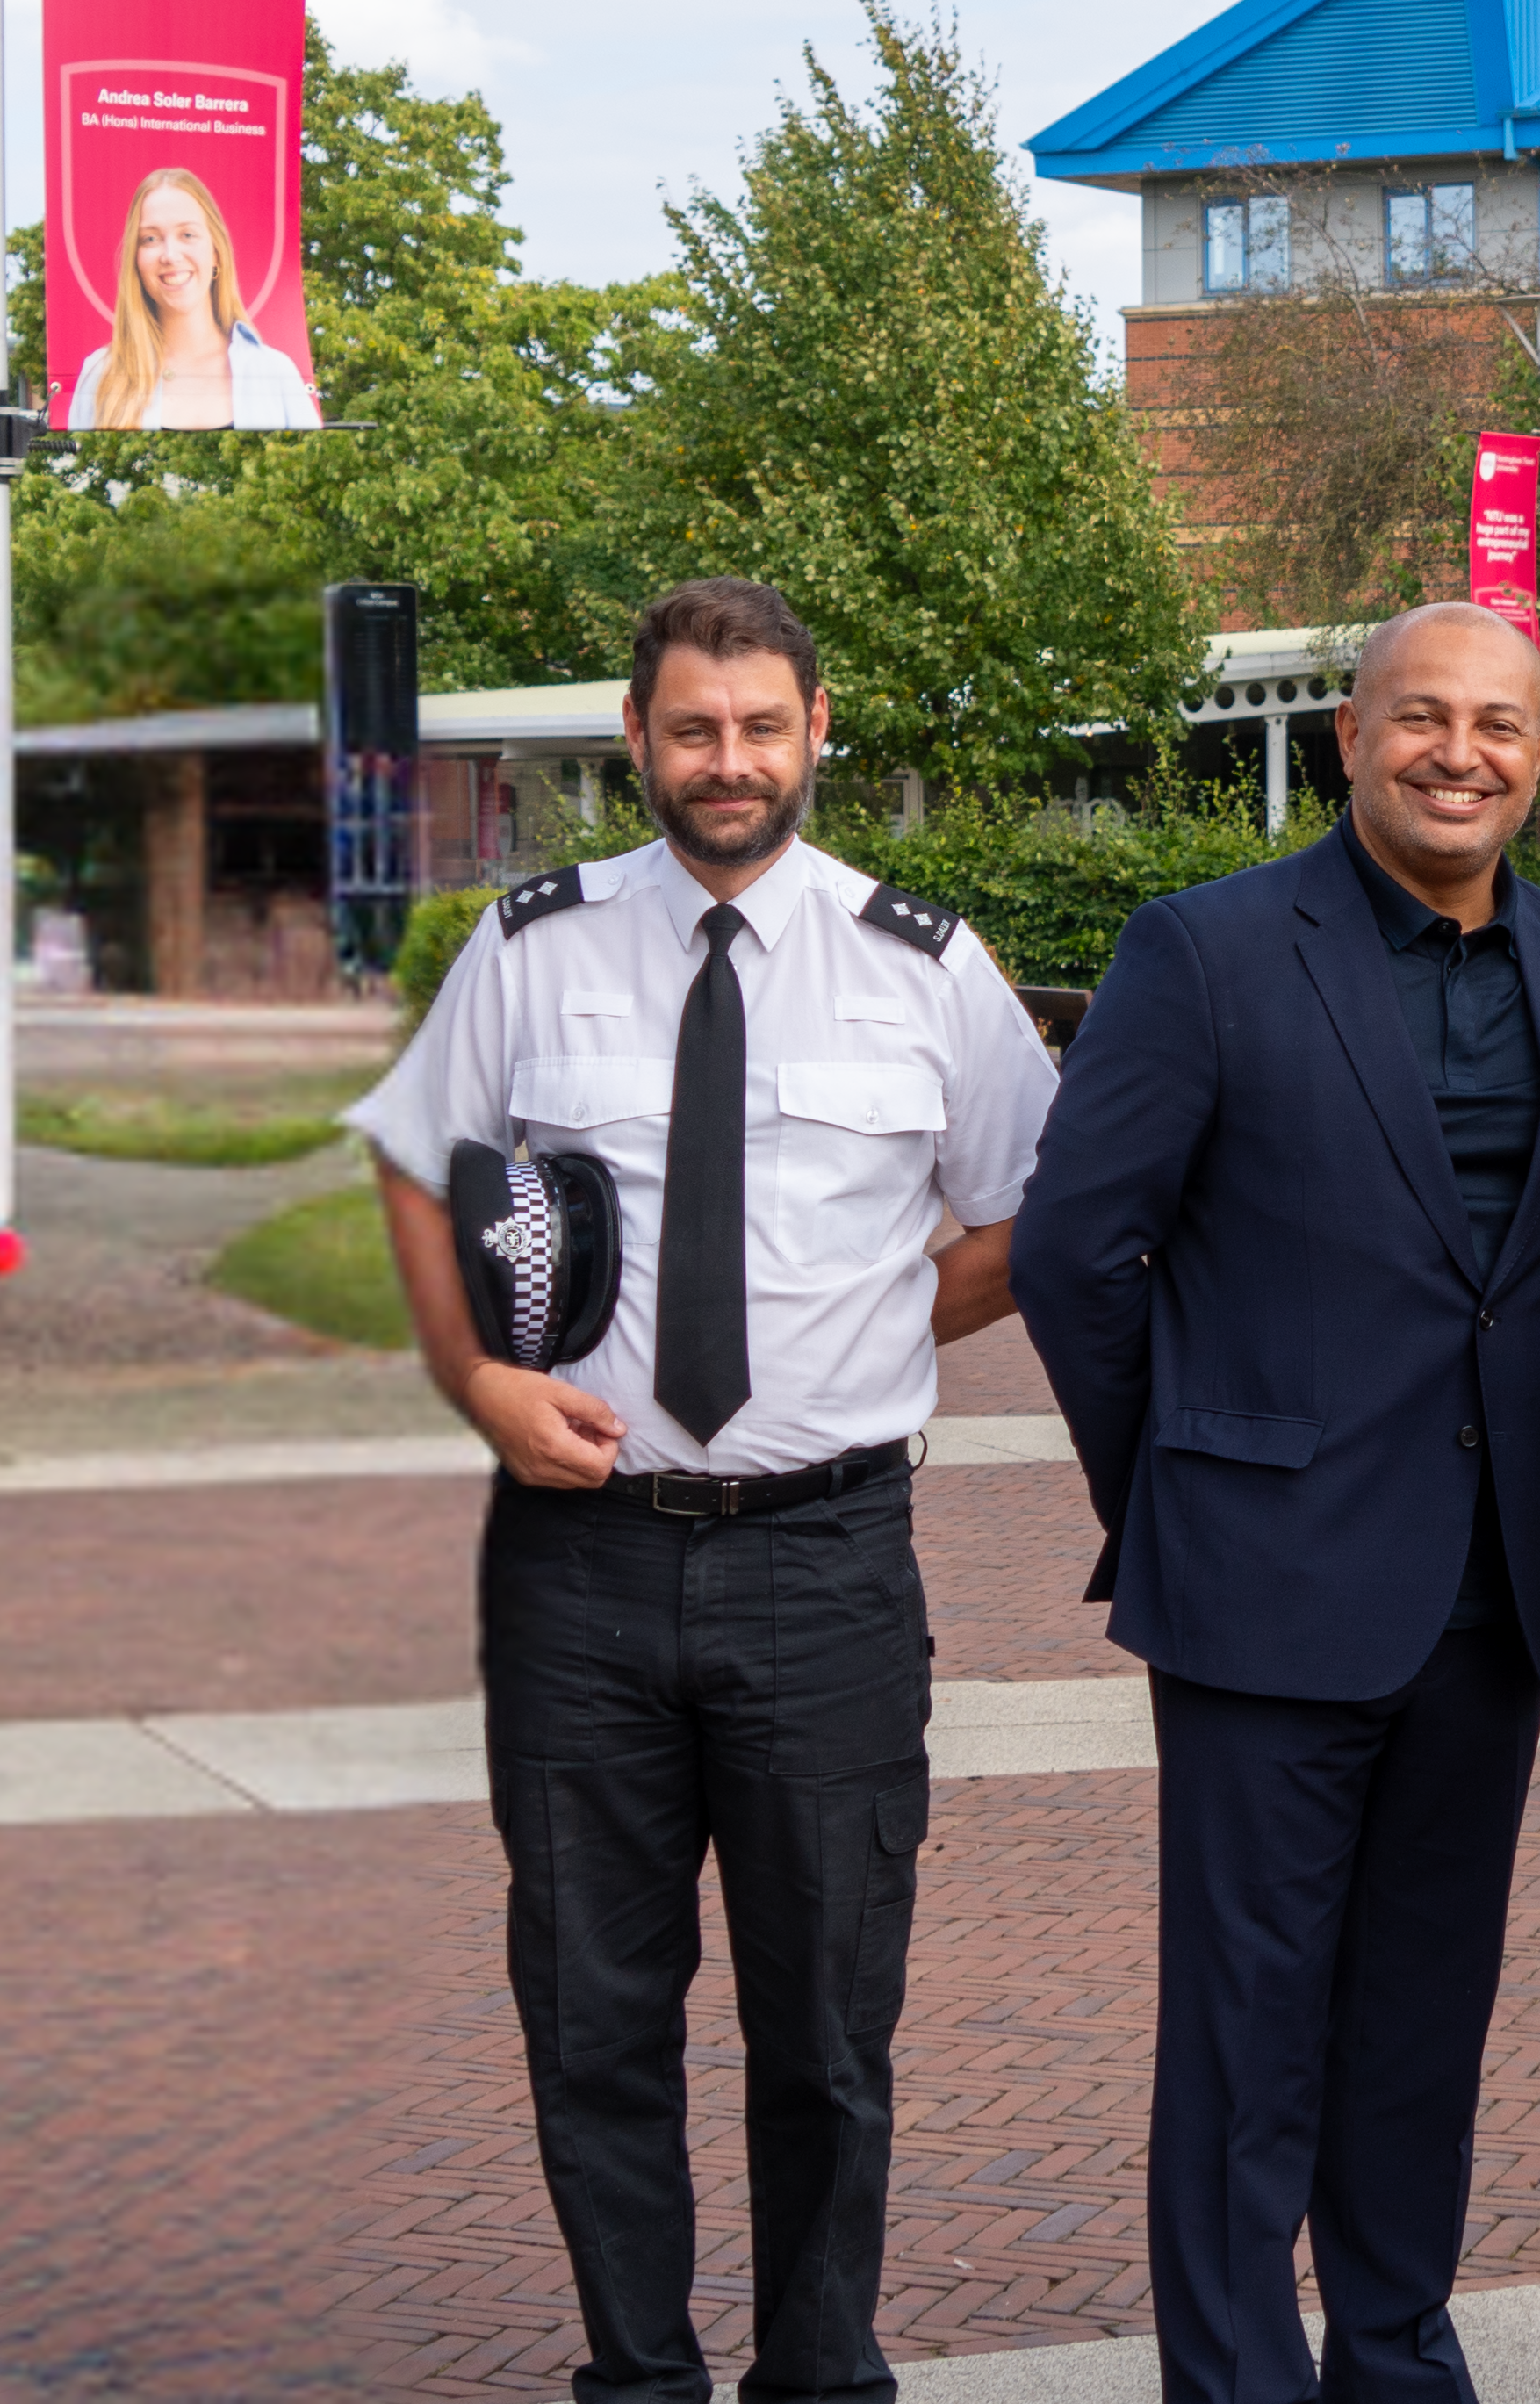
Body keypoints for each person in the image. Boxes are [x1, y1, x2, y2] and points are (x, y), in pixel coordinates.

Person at [347, 578, 1058, 2404]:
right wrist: (481, 1379)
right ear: (637, 742)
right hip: (578, 1564)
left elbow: (1031, 1214)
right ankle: (639, 2375)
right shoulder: (531, 944)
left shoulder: (928, 965)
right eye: (690, 728)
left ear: (821, 729)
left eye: (760, 726)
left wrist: (883, 1316)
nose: (726, 760)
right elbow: (419, 1173)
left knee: (829, 2025)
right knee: (595, 2015)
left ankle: (823, 2376)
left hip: (827, 1556)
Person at [1006, 602, 1540, 2404]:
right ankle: (1236, 2376)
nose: (1463, 750)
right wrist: (1189, 1476)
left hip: (1494, 1576)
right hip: (1260, 1581)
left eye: (1501, 723)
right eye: (1424, 717)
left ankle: (1394, 2349)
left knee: (1422, 2020)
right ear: (1354, 733)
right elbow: (1079, 1252)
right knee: (1247, 2032)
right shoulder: (1206, 948)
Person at [61, 164, 323, 430]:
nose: (170, 254)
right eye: (150, 239)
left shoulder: (274, 373)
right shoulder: (100, 376)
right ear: (136, 260)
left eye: (187, 234)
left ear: (217, 253)